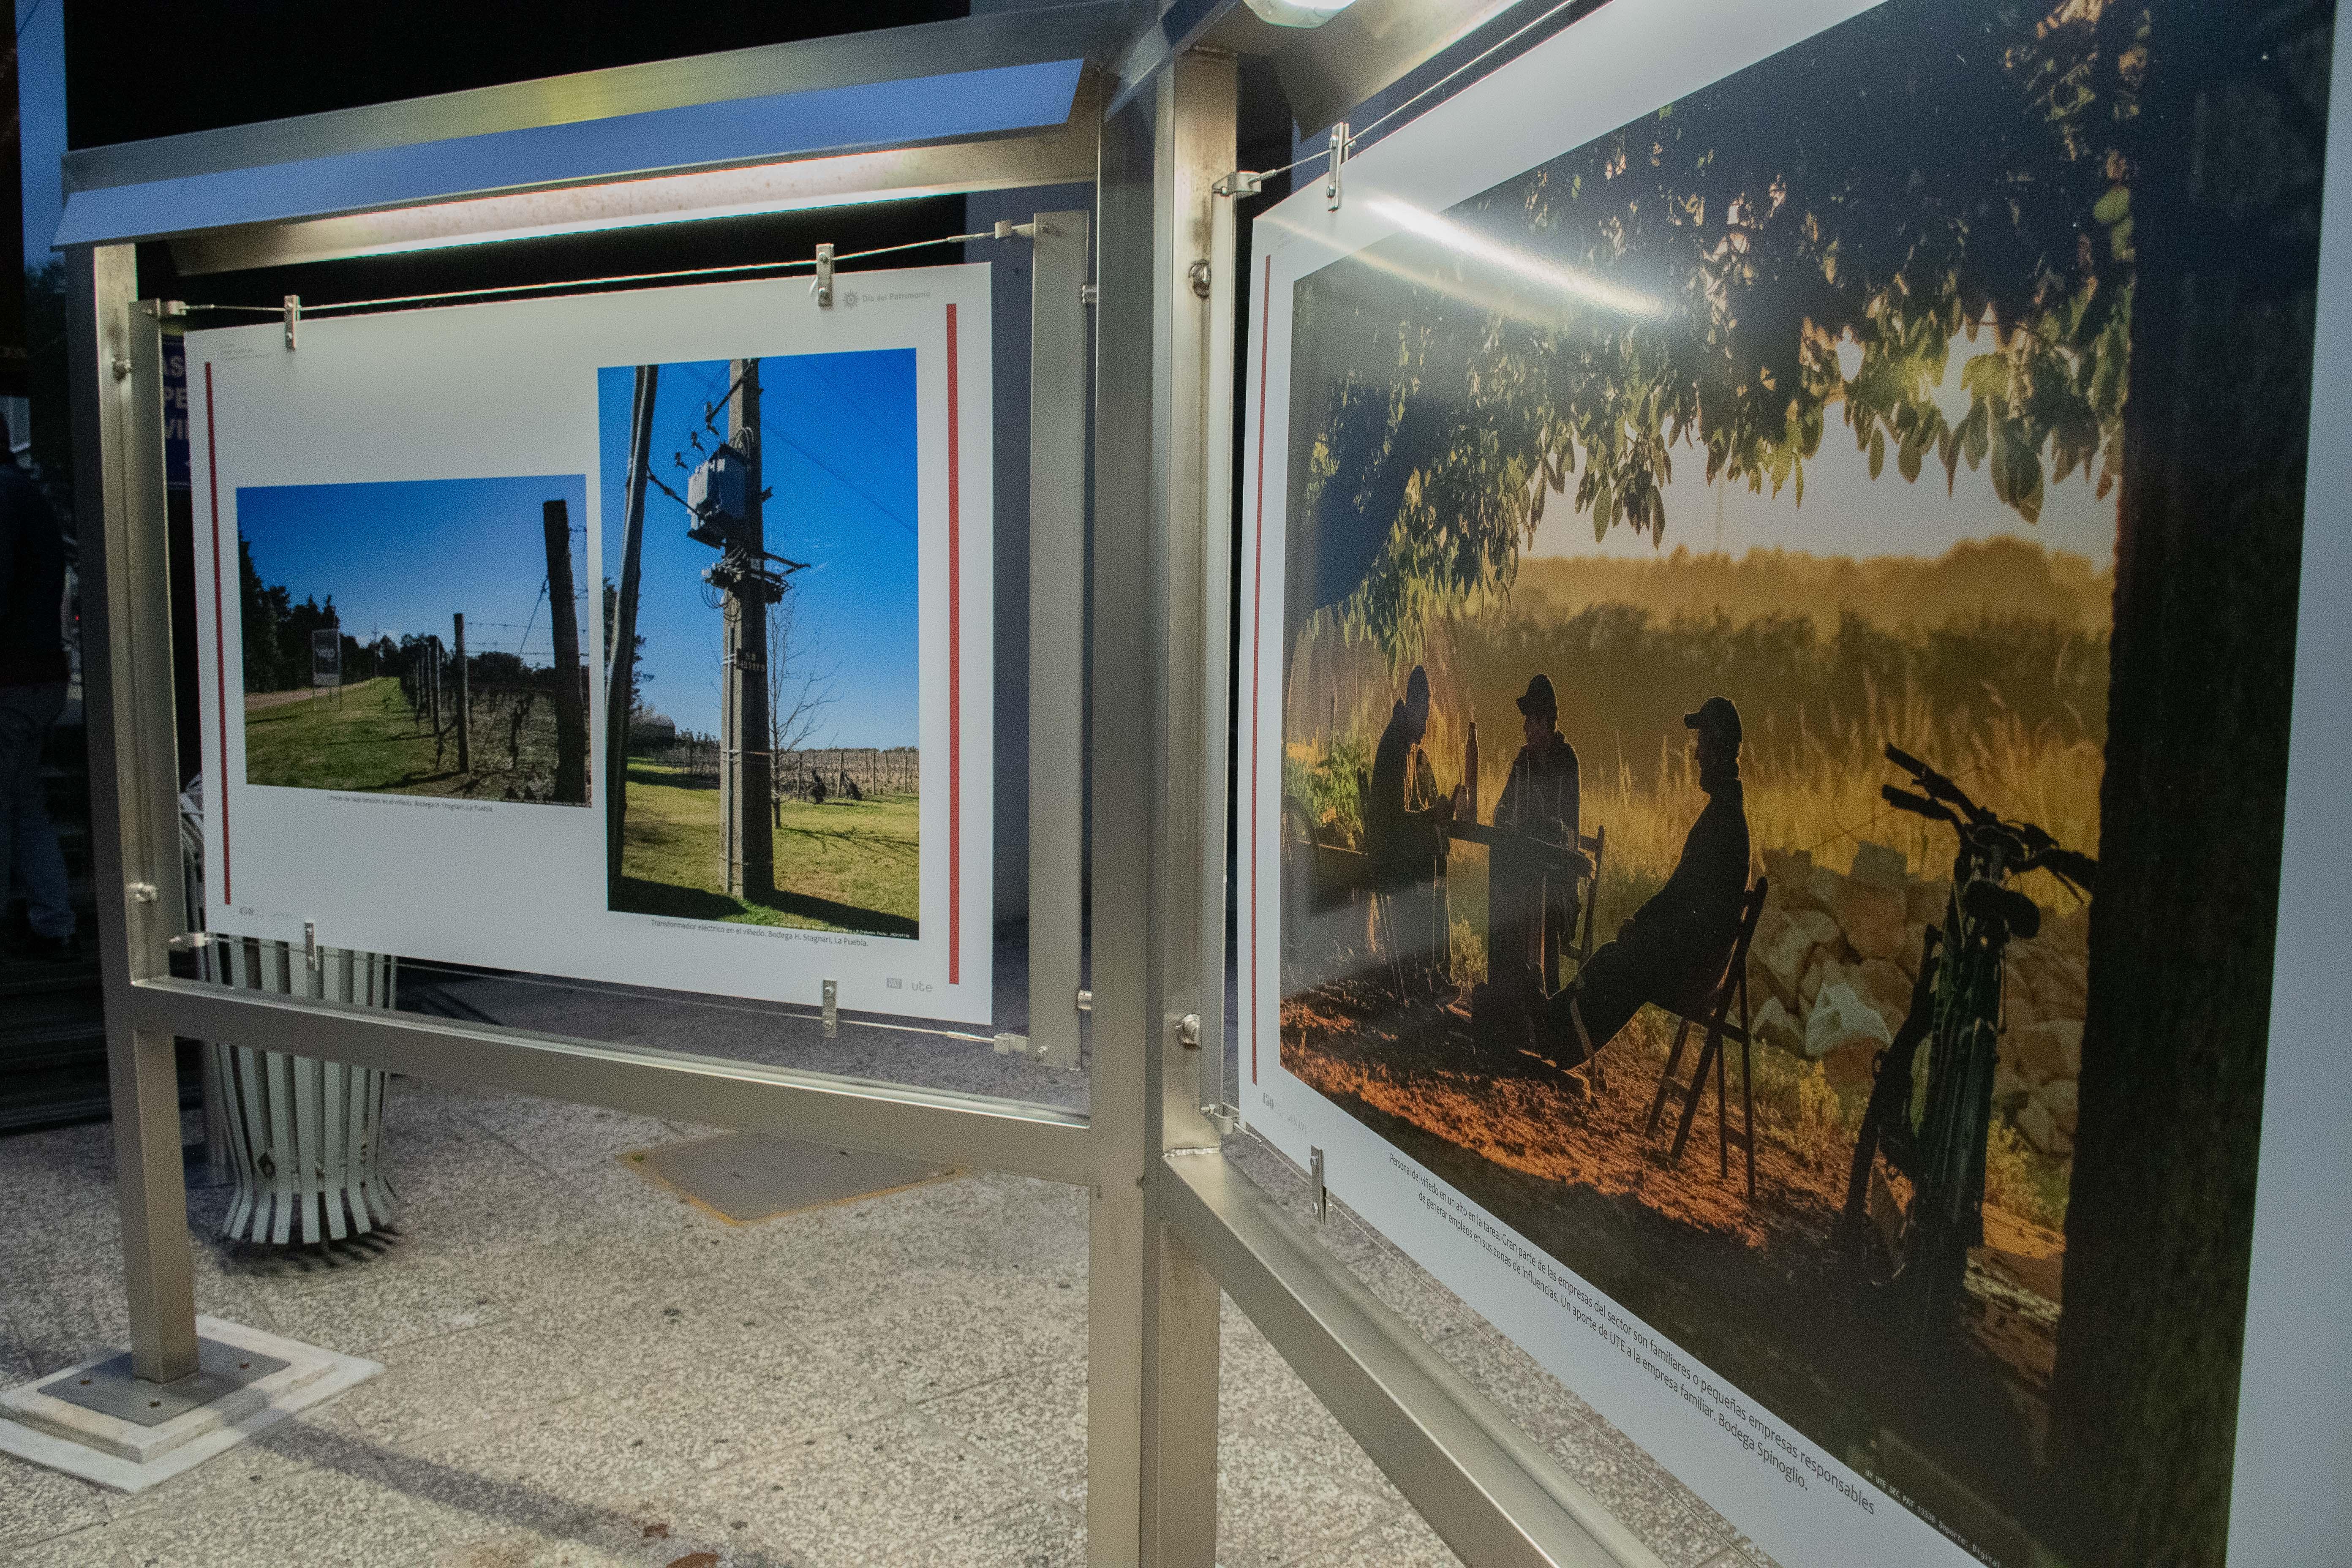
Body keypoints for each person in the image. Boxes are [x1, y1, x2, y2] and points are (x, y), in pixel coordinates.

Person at [1547, 695, 1750, 1068]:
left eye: (1702, 744)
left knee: (1624, 965)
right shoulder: (1724, 814)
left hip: (1694, 971)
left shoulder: (1724, 822)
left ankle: (1559, 1040)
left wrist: (1646, 931)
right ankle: (1554, 1028)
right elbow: (1683, 894)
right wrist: (1642, 922)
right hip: (1692, 958)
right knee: (1613, 956)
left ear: (1719, 750)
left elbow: (1692, 908)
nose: (1696, 755)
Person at [0, 414, 76, 961]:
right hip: (41, 677)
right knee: (24, 802)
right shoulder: (26, 494)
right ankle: (54, 922)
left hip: (10, 678)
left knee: (12, 805)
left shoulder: (4, 496)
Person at [1487, 673, 1581, 999]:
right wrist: (1505, 815)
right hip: (1524, 873)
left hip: (1557, 886)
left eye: (1531, 720)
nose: (1525, 728)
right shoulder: (1523, 761)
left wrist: (1546, 821)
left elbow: (1573, 836)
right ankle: (1505, 992)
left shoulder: (1567, 762)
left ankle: (1543, 1000)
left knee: (1534, 900)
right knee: (1502, 884)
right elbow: (1501, 806)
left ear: (1545, 721)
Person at [1365, 664, 1455, 990]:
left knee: (1438, 852)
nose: (1428, 726)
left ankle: (1433, 968)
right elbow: (1395, 819)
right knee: (1432, 854)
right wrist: (1432, 817)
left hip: (1393, 850)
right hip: (1387, 860)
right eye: (1426, 715)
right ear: (1415, 706)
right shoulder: (1396, 747)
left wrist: (1432, 814)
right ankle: (1424, 968)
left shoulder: (1407, 744)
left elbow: (1405, 813)